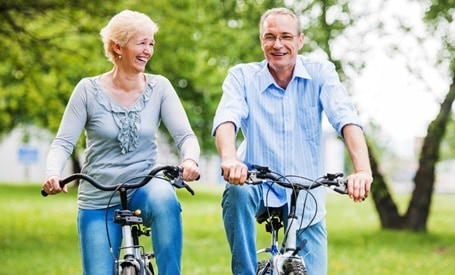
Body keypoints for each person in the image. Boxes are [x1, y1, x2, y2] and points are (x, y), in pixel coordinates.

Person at [212, 7, 373, 275]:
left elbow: (346, 119)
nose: (278, 45)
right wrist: (230, 159)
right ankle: (245, 271)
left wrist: (363, 171)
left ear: (300, 40)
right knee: (236, 193)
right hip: (256, 183)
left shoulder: (321, 72)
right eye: (269, 37)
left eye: (286, 36)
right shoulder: (241, 76)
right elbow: (227, 119)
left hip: (305, 190)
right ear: (261, 40)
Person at [41, 10, 200, 275]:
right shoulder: (87, 90)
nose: (148, 50)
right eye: (141, 43)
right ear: (117, 47)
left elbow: (186, 137)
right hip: (98, 196)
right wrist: (52, 173)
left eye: (151, 43)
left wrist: (190, 159)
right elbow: (63, 142)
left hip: (144, 186)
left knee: (165, 199)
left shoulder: (159, 87)